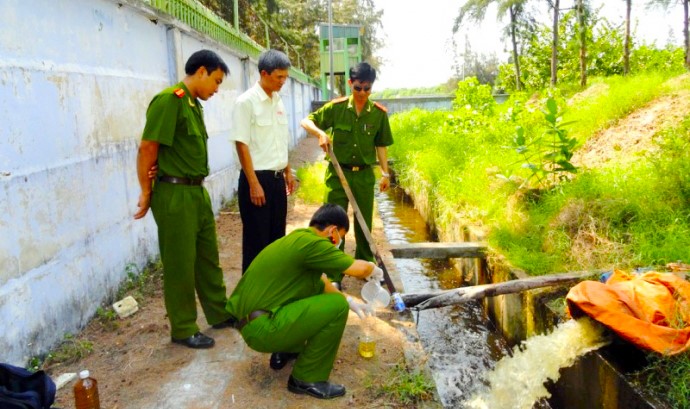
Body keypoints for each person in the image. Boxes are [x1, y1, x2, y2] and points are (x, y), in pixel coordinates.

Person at [225, 204, 384, 399]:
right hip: (263, 330)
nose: (338, 243)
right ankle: (306, 378)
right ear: (332, 231)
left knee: (318, 292)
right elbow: (357, 269)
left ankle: (286, 350)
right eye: (340, 238)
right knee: (337, 308)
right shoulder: (314, 244)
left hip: (252, 323)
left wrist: (349, 299)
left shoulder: (299, 238)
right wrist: (373, 269)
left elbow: (320, 283)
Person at [134, 49, 236, 349]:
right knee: (180, 263)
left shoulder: (193, 105)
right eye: (216, 81)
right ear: (201, 71)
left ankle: (219, 312)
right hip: (174, 193)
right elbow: (147, 147)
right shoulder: (170, 100)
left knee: (208, 257)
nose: (217, 89)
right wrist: (146, 190)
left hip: (196, 191)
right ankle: (183, 327)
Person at [300, 62, 393, 268]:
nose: (362, 93)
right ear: (350, 84)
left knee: (363, 224)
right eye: (357, 87)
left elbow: (381, 146)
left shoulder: (378, 114)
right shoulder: (337, 108)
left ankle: (364, 264)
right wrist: (321, 133)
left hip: (364, 177)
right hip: (338, 174)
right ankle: (334, 269)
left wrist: (385, 174)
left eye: (367, 88)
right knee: (332, 223)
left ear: (371, 87)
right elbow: (306, 121)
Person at [230, 49, 296, 274]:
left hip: (277, 180)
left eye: (285, 77)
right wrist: (253, 183)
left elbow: (279, 139)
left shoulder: (277, 100)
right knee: (256, 241)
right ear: (264, 73)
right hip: (257, 179)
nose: (283, 82)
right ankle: (252, 301)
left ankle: (273, 293)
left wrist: (287, 170)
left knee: (276, 239)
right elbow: (242, 144)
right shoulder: (246, 102)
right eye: (279, 77)